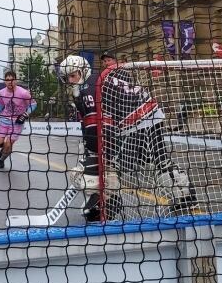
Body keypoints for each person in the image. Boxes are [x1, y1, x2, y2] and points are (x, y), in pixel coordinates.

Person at [60, 54, 195, 222]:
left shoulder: (88, 88)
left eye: (74, 75)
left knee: (102, 162)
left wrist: (94, 155)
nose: (71, 80)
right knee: (157, 160)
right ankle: (185, 194)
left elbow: (97, 130)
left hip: (140, 118)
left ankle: (107, 202)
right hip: (150, 113)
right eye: (68, 77)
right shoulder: (93, 82)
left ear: (84, 71)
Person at [0, 70, 36, 170]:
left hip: (17, 122)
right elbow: (0, 104)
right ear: (5, 81)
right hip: (4, 120)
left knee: (8, 144)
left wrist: (25, 114)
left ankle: (1, 161)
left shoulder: (23, 93)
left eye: (12, 80)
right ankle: (3, 149)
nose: (9, 82)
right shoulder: (2, 92)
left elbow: (33, 104)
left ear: (15, 80)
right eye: (7, 80)